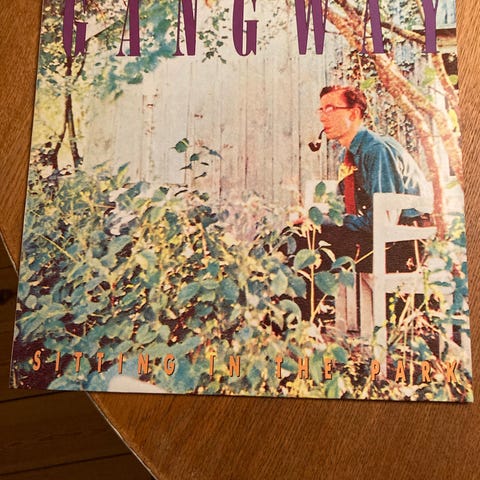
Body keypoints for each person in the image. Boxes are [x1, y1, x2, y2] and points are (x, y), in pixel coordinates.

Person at [313, 85, 431, 272]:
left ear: (353, 114)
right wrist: (315, 218)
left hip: (403, 243)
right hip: (377, 236)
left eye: (330, 109)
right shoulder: (348, 155)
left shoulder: (376, 150)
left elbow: (384, 221)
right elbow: (343, 208)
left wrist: (325, 221)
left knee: (309, 248)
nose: (322, 117)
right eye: (321, 110)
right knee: (303, 236)